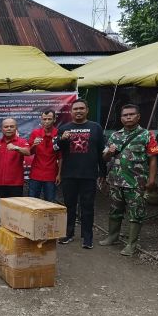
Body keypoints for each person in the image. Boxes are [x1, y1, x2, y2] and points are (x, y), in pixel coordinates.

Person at [100, 104, 158, 256]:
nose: (128, 117)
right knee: (115, 210)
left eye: (131, 114)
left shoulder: (147, 135)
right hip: (116, 181)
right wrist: (109, 153)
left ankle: (131, 244)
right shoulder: (115, 136)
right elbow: (105, 157)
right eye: (125, 115)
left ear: (138, 116)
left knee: (136, 213)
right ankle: (112, 236)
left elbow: (153, 159)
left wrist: (152, 180)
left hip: (136, 183)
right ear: (121, 118)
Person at [56, 99, 106, 249]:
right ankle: (68, 233)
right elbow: (56, 149)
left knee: (88, 207)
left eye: (81, 108)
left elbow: (101, 151)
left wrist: (103, 172)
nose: (78, 111)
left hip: (89, 174)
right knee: (69, 206)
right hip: (69, 174)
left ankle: (87, 237)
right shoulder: (64, 128)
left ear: (87, 110)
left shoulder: (96, 127)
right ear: (71, 111)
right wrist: (62, 139)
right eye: (75, 109)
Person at [28, 110, 61, 202]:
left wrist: (59, 174)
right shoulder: (35, 133)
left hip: (51, 174)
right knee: (32, 201)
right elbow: (29, 152)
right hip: (36, 173)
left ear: (54, 120)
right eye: (44, 119)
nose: (46, 121)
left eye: (49, 119)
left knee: (49, 202)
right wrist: (34, 145)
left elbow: (61, 157)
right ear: (41, 120)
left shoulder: (58, 133)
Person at [0, 118, 30, 200]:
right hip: (0, 183)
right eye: (6, 127)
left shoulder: (22, 141)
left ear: (16, 128)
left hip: (16, 184)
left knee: (15, 207)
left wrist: (16, 148)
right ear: (1, 129)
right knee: (1, 207)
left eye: (11, 126)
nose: (9, 129)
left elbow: (28, 152)